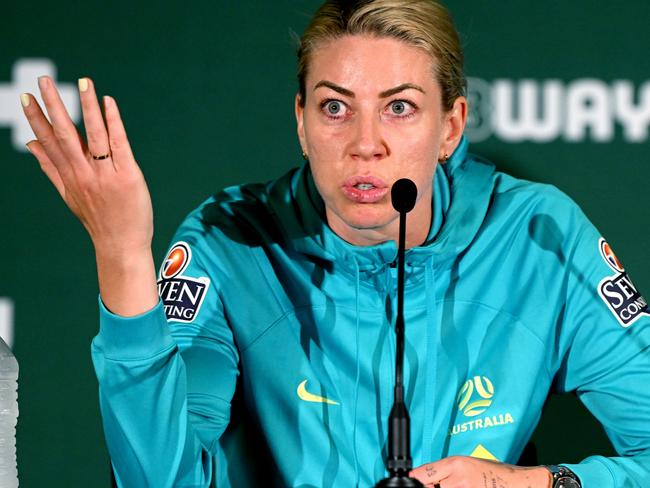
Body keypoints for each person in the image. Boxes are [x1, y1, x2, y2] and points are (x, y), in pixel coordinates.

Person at [20, 0, 650, 487]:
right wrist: (122, 252)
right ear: (301, 122)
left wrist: (542, 481)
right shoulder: (229, 244)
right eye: (335, 108)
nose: (365, 143)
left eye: (400, 108)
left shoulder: (537, 236)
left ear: (450, 127)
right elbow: (161, 479)